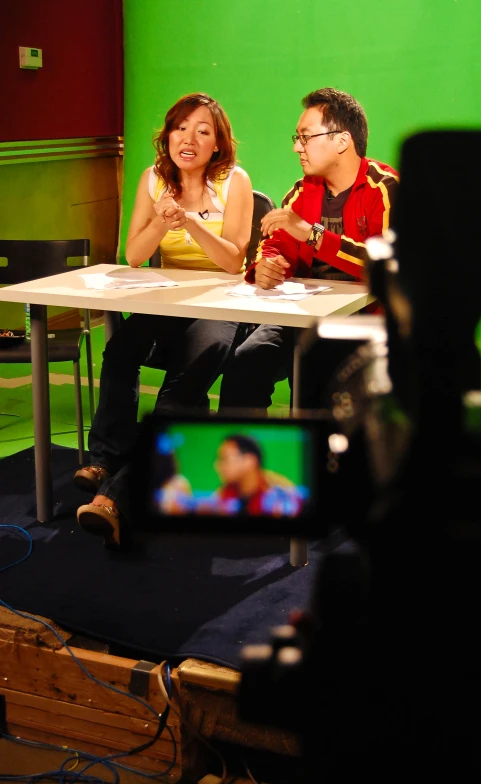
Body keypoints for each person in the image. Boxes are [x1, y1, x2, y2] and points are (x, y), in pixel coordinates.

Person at [75, 92, 253, 546]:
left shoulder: (236, 182)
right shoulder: (154, 179)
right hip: (169, 300)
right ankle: (106, 459)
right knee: (118, 351)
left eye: (203, 130)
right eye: (180, 127)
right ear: (168, 136)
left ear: (218, 144)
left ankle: (114, 497)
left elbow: (234, 262)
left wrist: (191, 222)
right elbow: (134, 255)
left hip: (222, 303)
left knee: (182, 387)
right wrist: (160, 222)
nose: (188, 138)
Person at [218, 87, 399, 414]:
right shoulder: (301, 192)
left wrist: (313, 234)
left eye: (305, 137)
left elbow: (383, 267)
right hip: (302, 317)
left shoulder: (383, 187)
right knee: (245, 363)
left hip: (368, 321)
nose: (295, 147)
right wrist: (266, 266)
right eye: (296, 138)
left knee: (317, 366)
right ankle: (241, 454)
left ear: (341, 141)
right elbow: (274, 244)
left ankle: (316, 457)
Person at [197, 434, 305, 517]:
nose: (217, 465)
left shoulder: (281, 500)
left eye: (224, 459)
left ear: (249, 461)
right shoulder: (226, 494)